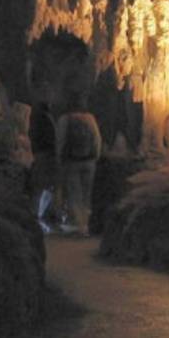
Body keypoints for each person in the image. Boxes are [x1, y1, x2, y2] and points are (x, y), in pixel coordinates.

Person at [55, 95, 102, 235]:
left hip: (71, 162)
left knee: (74, 194)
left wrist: (59, 159)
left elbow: (60, 140)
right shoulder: (90, 118)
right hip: (89, 161)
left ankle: (77, 225)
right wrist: (95, 157)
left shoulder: (65, 119)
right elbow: (97, 139)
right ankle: (86, 224)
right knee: (87, 195)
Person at [28, 101, 61, 231]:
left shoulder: (36, 120)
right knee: (46, 187)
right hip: (48, 155)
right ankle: (40, 214)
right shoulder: (48, 119)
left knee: (39, 187)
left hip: (40, 154)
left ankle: (37, 214)